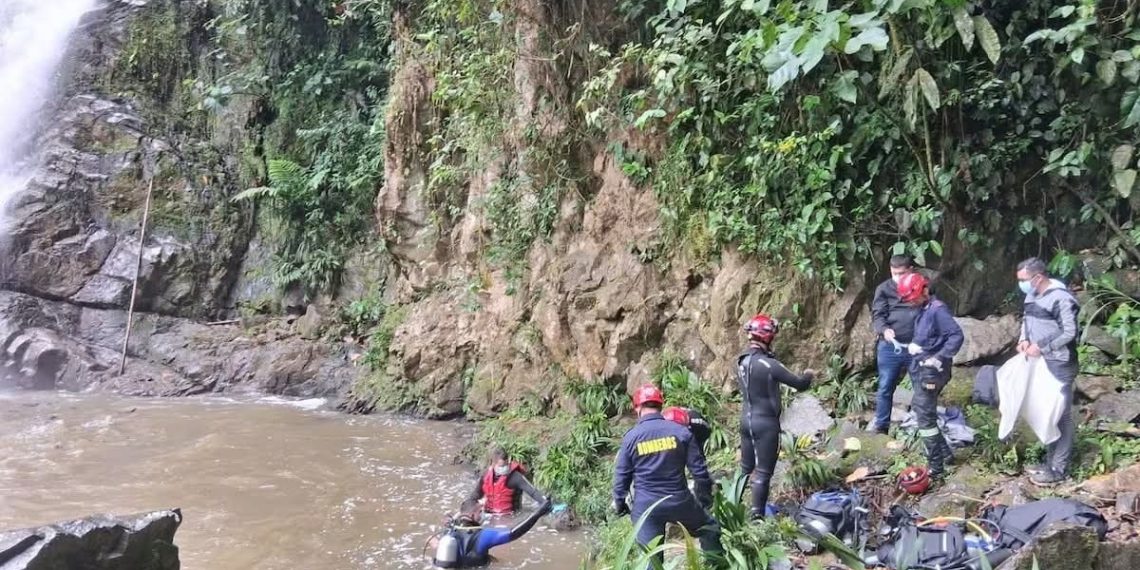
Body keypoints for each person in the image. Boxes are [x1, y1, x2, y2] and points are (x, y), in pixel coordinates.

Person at [613, 384, 721, 567]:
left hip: (646, 508)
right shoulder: (680, 432)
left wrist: (620, 503)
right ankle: (716, 565)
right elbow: (700, 473)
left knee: (651, 559)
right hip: (679, 502)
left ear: (637, 408)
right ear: (660, 405)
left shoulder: (631, 437)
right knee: (710, 529)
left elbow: (622, 476)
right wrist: (704, 500)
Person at [737, 313, 815, 520]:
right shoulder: (770, 365)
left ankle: (731, 506)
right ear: (767, 336)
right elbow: (800, 384)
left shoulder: (741, 362)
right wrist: (809, 374)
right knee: (763, 472)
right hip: (766, 424)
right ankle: (757, 517)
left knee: (745, 468)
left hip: (746, 420)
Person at [1016, 257, 1080, 486]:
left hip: (1060, 362)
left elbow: (1069, 332)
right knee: (1047, 412)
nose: (1021, 285)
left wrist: (1041, 346)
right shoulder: (1030, 295)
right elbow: (1026, 320)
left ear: (1038, 277)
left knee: (1061, 415)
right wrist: (1023, 340)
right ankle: (1049, 462)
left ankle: (1059, 469)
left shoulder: (1062, 298)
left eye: (1023, 280)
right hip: (1040, 363)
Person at [897, 272, 964, 481]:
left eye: (913, 298)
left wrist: (939, 357)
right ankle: (945, 454)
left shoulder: (937, 310)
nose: (911, 303)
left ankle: (936, 468)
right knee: (922, 410)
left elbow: (956, 335)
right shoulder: (922, 309)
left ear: (924, 290)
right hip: (921, 366)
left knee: (925, 419)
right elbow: (930, 335)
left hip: (933, 370)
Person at [870, 255, 920, 434]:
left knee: (921, 387)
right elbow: (878, 315)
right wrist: (884, 330)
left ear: (911, 270)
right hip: (890, 346)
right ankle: (881, 426)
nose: (898, 277)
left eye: (902, 273)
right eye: (894, 273)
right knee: (885, 386)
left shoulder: (922, 286)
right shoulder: (884, 289)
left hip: (916, 346)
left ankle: (921, 424)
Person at [430, 497, 553, 568]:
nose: (482, 515)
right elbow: (513, 533)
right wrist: (538, 513)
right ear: (472, 515)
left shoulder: (448, 530)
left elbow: (433, 542)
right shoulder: (482, 536)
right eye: (480, 512)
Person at [465, 446, 545, 516]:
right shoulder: (486, 475)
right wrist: (468, 509)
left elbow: (533, 492)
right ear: (493, 464)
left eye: (506, 465)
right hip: (489, 515)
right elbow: (476, 495)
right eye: (501, 466)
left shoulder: (515, 477)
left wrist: (545, 502)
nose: (505, 468)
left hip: (510, 515)